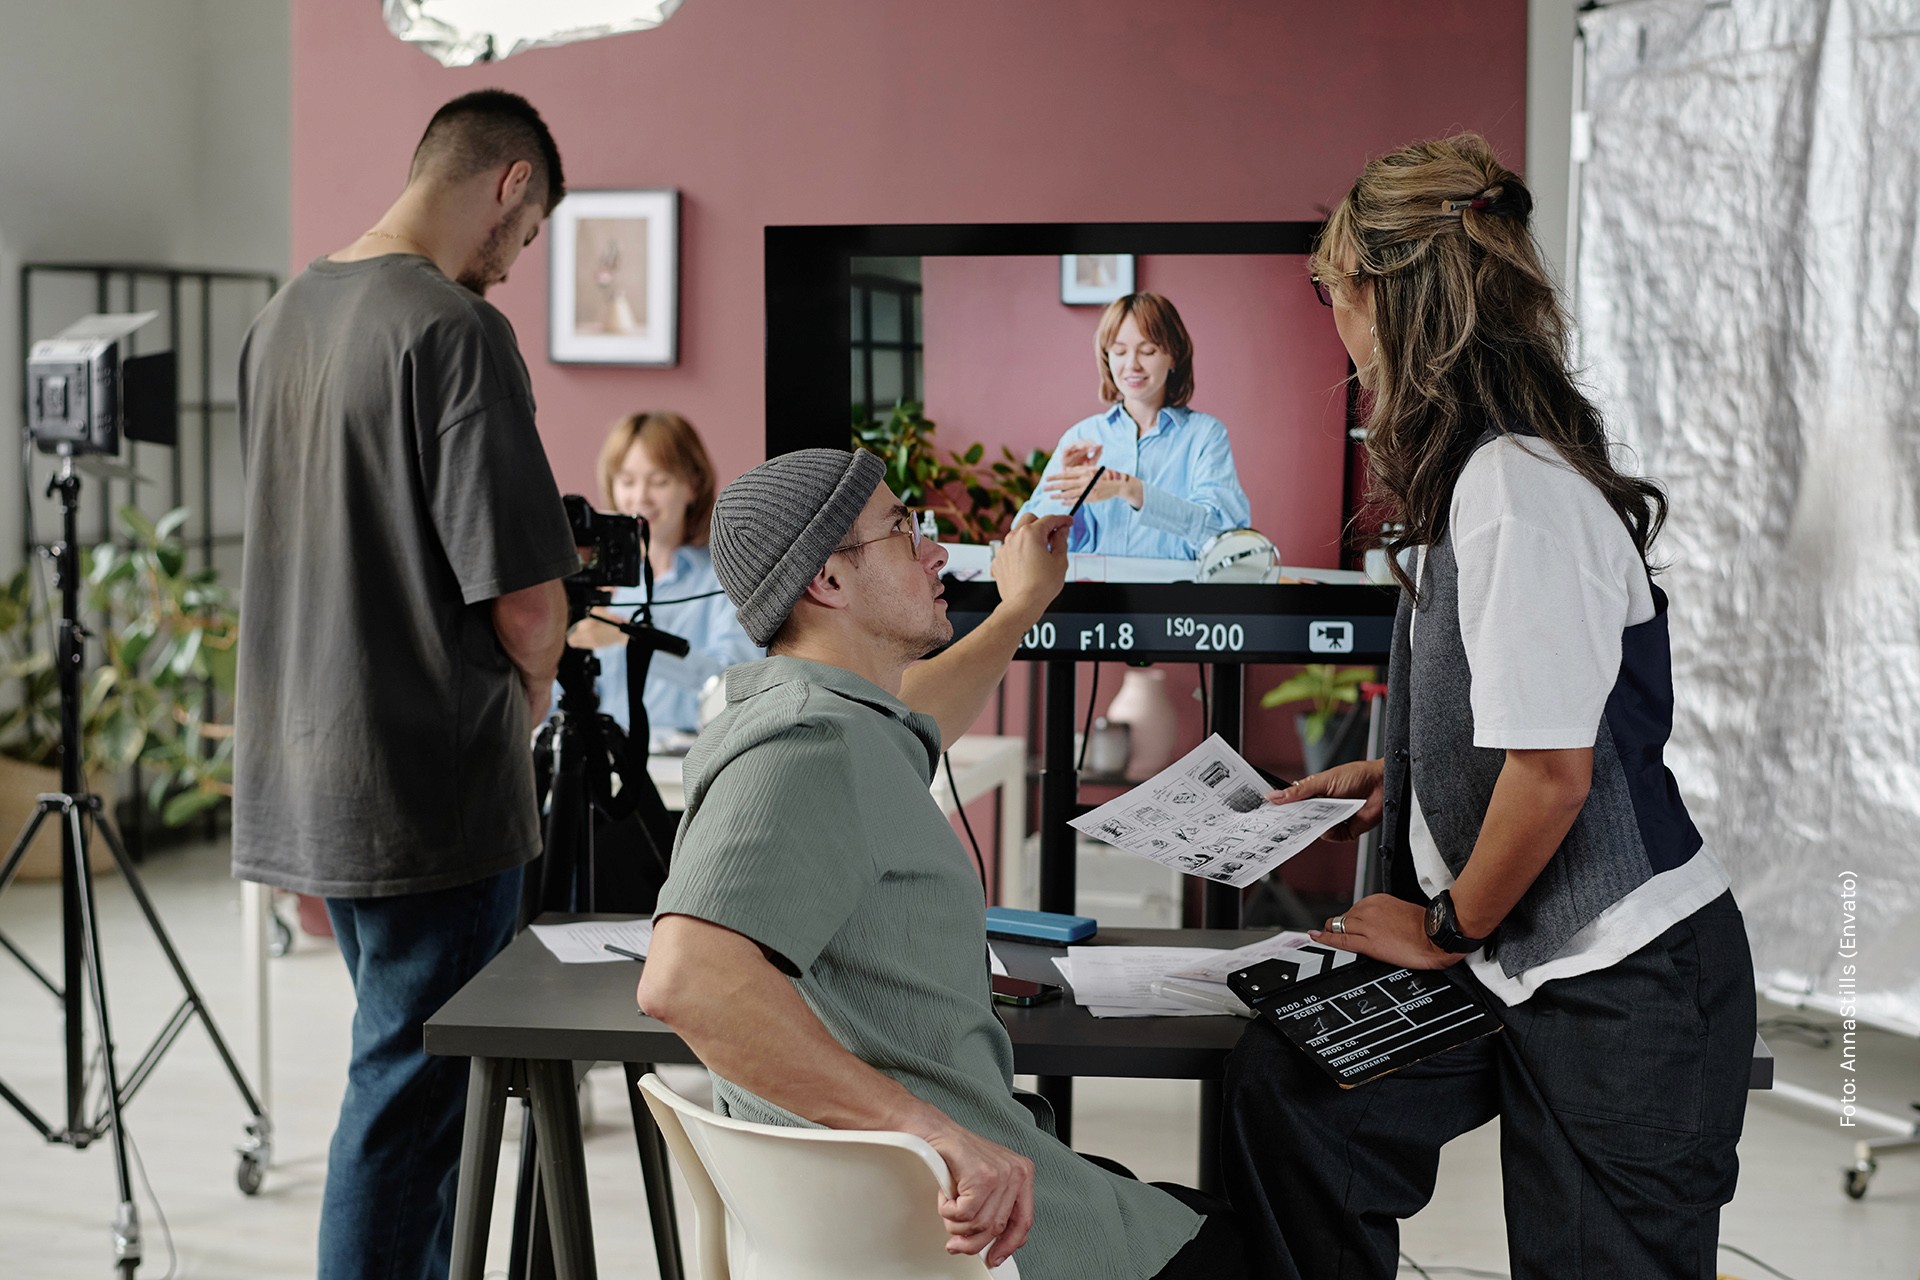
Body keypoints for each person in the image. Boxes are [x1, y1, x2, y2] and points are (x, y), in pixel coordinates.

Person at [1222, 134, 1756, 1278]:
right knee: (1294, 1094)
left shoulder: (1514, 488)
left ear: (1384, 296)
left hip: (1618, 976)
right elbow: (1533, 713)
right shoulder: (1488, 472)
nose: (1334, 320)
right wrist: (1412, 776)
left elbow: (1554, 775)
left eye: (1331, 289)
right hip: (1519, 957)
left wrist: (1442, 926)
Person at [638, 448, 1248, 1279]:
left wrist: (1021, 605)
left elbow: (919, 712)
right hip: (971, 1226)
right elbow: (689, 979)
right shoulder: (809, 746)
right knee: (1284, 1238)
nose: (937, 553)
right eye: (904, 530)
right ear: (829, 580)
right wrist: (932, 1131)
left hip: (882, 1222)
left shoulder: (836, 719)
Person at [232, 90, 579, 1280]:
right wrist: (538, 678)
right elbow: (526, 603)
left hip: (311, 769)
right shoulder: (455, 328)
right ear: (511, 181)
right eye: (527, 234)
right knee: (410, 1099)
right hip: (431, 778)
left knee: (402, 1075)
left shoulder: (282, 317)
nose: (514, 262)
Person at [565, 411, 758, 749]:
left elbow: (737, 686)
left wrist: (630, 638)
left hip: (693, 759)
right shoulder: (605, 583)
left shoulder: (726, 579)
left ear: (693, 485)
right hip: (608, 757)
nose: (641, 498)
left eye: (659, 482)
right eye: (627, 482)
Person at [1016, 292, 1250, 559]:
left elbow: (1224, 536)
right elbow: (1023, 540)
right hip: (1091, 585)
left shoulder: (1205, 435)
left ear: (1173, 356)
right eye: (1119, 351)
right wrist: (1066, 492)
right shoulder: (1081, 435)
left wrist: (1133, 490)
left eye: (1147, 351)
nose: (1131, 365)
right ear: (1107, 357)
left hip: (1176, 585)